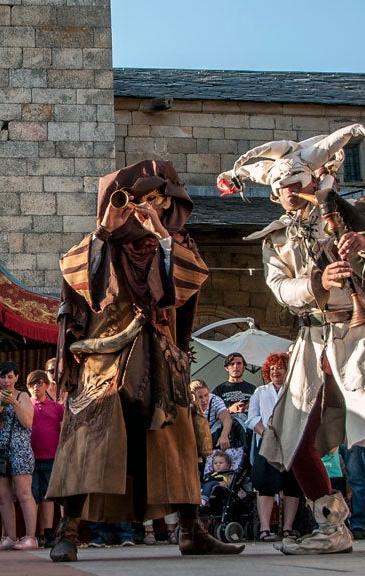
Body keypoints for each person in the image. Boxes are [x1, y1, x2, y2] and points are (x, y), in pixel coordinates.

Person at [229, 124, 365, 555]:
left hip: (363, 330)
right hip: (312, 337)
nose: (290, 192)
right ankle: (331, 526)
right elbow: (280, 288)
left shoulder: (351, 211)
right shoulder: (276, 238)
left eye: (297, 184)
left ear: (314, 181)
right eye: (282, 188)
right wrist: (317, 280)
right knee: (292, 437)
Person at [50, 159, 241, 562]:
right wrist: (105, 230)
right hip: (105, 361)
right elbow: (74, 279)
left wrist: (163, 238)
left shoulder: (176, 243)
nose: (145, 207)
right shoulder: (99, 245)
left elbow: (185, 289)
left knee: (174, 440)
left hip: (159, 360)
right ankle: (67, 532)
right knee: (89, 438)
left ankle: (192, 530)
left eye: (155, 200)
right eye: (138, 199)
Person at [0, 361, 38, 550]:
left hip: (19, 449)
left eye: (10, 377)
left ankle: (31, 537)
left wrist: (14, 403)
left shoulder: (23, 396)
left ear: (16, 378)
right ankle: (10, 537)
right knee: (3, 496)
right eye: (2, 377)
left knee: (23, 493)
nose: (6, 381)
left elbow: (27, 423)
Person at [248, 353, 300, 542]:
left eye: (279, 368)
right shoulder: (260, 392)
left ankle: (287, 528)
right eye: (272, 369)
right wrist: (264, 432)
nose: (275, 371)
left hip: (291, 441)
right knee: (265, 484)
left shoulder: (294, 390)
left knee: (291, 484)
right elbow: (252, 417)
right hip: (268, 440)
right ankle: (265, 528)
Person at [29, 367, 64, 547]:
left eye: (39, 383)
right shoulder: (26, 405)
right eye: (32, 384)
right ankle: (33, 533)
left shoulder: (57, 407)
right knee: (32, 497)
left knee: (47, 497)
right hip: (30, 459)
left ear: (47, 385)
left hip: (51, 457)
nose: (36, 387)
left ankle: (49, 533)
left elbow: (63, 429)